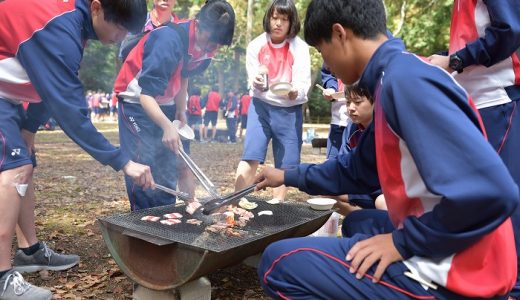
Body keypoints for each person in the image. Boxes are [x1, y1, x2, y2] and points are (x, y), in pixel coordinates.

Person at [254, 0, 519, 298]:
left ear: (340, 34)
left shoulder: (407, 82)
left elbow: (494, 193)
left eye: (321, 51)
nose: (326, 65)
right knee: (358, 222)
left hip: (460, 270)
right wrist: (286, 175)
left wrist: (401, 244)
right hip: (456, 246)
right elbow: (355, 170)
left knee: (278, 262)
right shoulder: (390, 77)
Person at [0, 0, 151, 298]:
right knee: (16, 167)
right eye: (119, 28)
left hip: (9, 97)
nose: (120, 37)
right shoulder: (59, 27)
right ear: (96, 8)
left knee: (24, 161)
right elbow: (69, 110)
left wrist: (29, 129)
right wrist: (123, 161)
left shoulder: (74, 24)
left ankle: (29, 251)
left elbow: (47, 85)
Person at [427, 1, 520, 297]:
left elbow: (509, 31)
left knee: (504, 197)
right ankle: (492, 277)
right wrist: (447, 60)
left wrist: (454, 61)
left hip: (499, 99)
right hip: (477, 102)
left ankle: (511, 284)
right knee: (485, 195)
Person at [114, 0, 235, 210]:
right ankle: (145, 221)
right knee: (146, 163)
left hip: (167, 102)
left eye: (215, 45)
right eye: (208, 40)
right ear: (197, 23)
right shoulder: (168, 39)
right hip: (136, 101)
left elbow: (184, 75)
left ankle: (187, 205)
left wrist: (180, 110)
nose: (208, 48)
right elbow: (146, 95)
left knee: (180, 160)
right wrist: (167, 125)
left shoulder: (206, 49)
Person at [234, 0, 311, 203]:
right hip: (260, 108)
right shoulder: (256, 45)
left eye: (284, 19)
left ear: (291, 22)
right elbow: (252, 80)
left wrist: (296, 92)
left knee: (285, 166)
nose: (278, 23)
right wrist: (256, 82)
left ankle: (277, 211)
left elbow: (303, 84)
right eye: (275, 17)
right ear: (268, 18)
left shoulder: (300, 48)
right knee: (250, 157)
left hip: (290, 111)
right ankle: (232, 205)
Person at [321, 64, 350, 159]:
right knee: (332, 164)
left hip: (364, 124)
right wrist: (331, 88)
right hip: (339, 120)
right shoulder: (332, 51)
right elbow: (327, 72)